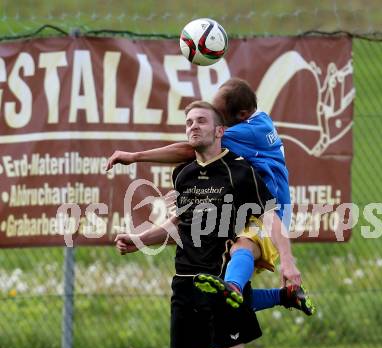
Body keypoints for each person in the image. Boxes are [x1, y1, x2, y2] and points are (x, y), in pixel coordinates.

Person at [117, 101, 298, 348]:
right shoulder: (183, 175)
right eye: (188, 122)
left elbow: (270, 218)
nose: (193, 126)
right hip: (185, 286)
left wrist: (287, 260)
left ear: (220, 131)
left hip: (222, 287)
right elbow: (181, 228)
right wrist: (141, 238)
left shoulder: (241, 171)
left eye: (201, 120)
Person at [107, 78, 315, 316]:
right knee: (219, 291)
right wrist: (141, 238)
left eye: (219, 114)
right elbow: (183, 227)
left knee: (241, 250)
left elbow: (191, 148)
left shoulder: (249, 132)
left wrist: (135, 156)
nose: (213, 118)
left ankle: (235, 287)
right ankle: (279, 296)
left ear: (241, 114)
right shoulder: (257, 123)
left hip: (270, 211)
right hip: (243, 208)